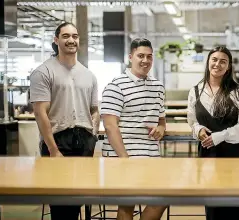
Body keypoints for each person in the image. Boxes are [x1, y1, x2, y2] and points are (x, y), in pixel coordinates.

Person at [29, 22, 99, 220]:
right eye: (66, 36)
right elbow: (40, 112)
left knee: (77, 198)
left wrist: (92, 135)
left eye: (75, 36)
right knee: (60, 203)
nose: (71, 40)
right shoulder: (43, 72)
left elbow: (94, 109)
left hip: (84, 140)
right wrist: (53, 149)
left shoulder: (88, 75)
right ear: (56, 40)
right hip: (57, 140)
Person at [100, 38, 167, 219]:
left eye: (149, 57)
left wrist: (161, 128)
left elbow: (161, 120)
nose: (145, 60)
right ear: (131, 57)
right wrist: (124, 159)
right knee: (128, 203)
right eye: (140, 56)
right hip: (123, 155)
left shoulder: (158, 86)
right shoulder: (116, 86)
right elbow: (110, 126)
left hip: (150, 154)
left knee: (163, 197)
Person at [186, 46, 239, 220]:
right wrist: (198, 129)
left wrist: (220, 135)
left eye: (223, 61)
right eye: (214, 59)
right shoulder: (195, 91)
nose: (218, 64)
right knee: (213, 207)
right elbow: (192, 121)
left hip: (234, 155)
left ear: (229, 66)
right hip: (208, 154)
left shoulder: (238, 92)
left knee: (238, 206)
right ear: (208, 62)